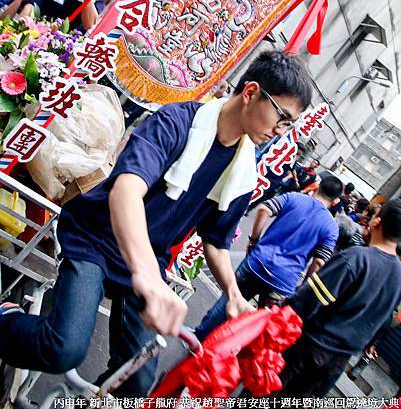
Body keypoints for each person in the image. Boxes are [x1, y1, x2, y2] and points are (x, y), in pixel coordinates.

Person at [0, 50, 312, 397]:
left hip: (150, 262)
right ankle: (6, 316)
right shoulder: (176, 123)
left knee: (137, 382)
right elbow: (126, 191)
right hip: (97, 241)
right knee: (63, 348)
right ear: (251, 92)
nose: (280, 131)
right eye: (282, 117)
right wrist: (148, 276)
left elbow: (217, 240)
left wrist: (234, 295)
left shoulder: (242, 173)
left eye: (289, 125)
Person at [277, 199, 401, 398]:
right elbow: (383, 320)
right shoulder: (398, 275)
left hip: (308, 349)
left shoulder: (356, 258)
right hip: (337, 362)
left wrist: (281, 309)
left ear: (377, 221)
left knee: (265, 394)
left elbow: (307, 300)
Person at [195, 176, 341, 341]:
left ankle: (199, 339)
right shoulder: (331, 228)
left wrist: (253, 240)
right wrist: (304, 286)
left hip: (257, 263)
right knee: (260, 325)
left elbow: (264, 209)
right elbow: (319, 262)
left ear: (317, 187)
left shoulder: (294, 197)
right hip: (283, 283)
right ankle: (228, 354)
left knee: (227, 302)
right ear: (335, 201)